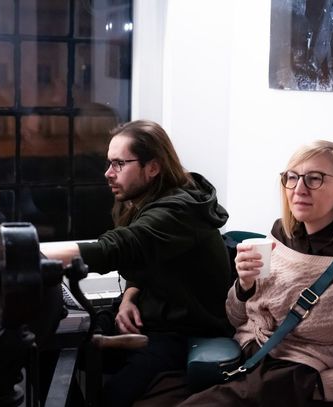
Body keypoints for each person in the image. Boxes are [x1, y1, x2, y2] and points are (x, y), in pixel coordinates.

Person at [178, 140, 333, 406]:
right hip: (247, 360)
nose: (299, 189)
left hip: (295, 380)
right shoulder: (279, 236)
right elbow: (237, 319)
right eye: (292, 177)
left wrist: (313, 387)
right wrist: (244, 286)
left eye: (314, 178)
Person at [41, 119, 234, 407]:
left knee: (110, 399)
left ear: (153, 168)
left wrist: (25, 253)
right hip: (147, 319)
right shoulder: (142, 201)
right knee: (46, 349)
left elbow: (118, 247)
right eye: (109, 163)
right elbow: (147, 256)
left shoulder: (178, 211)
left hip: (182, 334)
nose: (108, 173)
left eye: (119, 164)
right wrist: (130, 296)